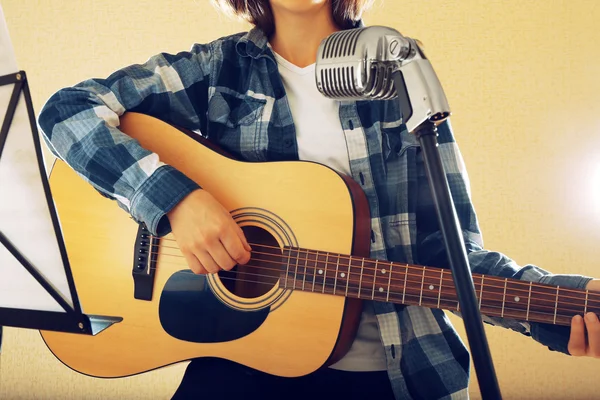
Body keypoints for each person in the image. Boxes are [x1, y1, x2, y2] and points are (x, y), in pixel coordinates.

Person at [37, 0, 600, 399]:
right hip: (241, 373)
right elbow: (68, 111)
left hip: (394, 374)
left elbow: (450, 255)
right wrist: (176, 202)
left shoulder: (398, 77)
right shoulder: (216, 70)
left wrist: (564, 308)